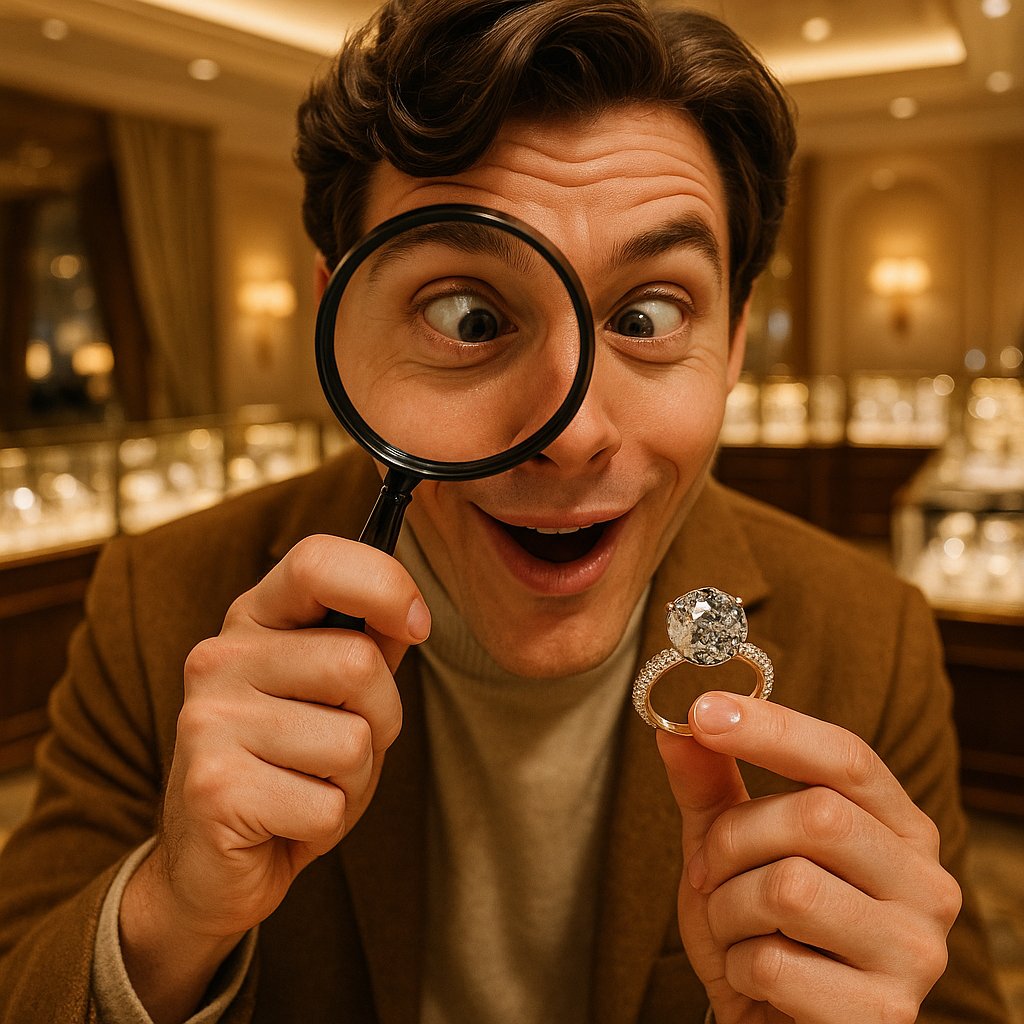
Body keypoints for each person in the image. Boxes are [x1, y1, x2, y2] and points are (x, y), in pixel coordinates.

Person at [0, 2, 1011, 1022]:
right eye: (469, 317)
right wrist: (169, 915)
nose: (569, 433)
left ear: (737, 340)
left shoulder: (870, 636)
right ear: (340, 320)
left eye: (648, 315)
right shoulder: (158, 602)